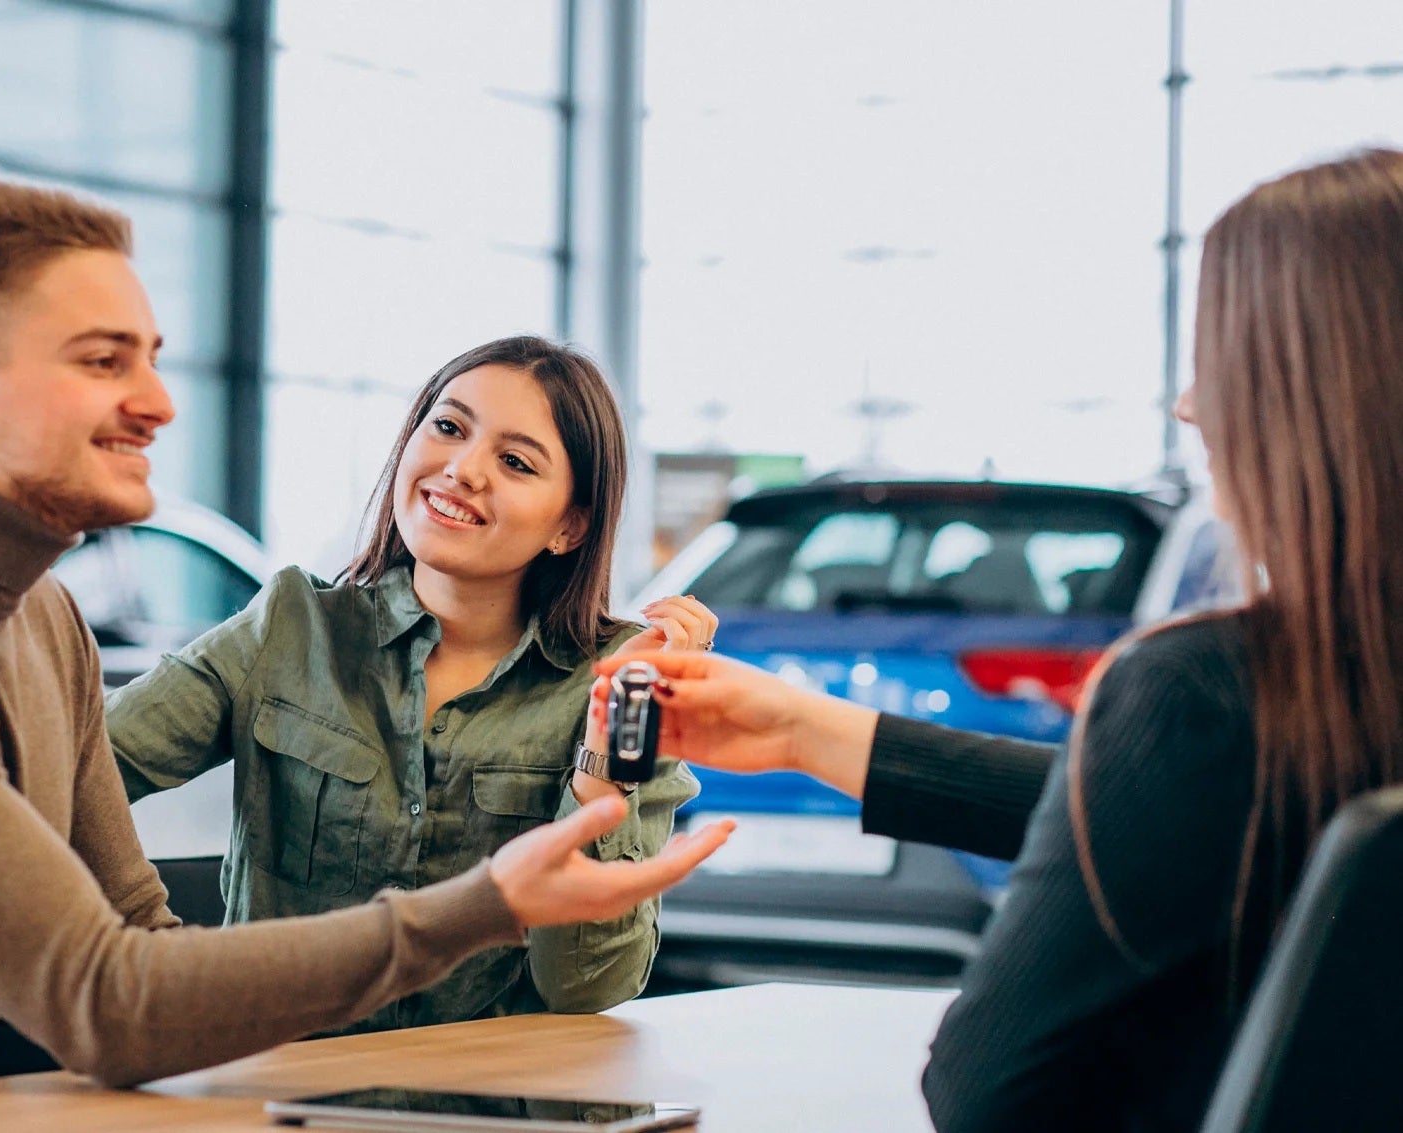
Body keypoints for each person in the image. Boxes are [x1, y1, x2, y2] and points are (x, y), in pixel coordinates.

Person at [0, 181, 733, 1106]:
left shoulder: (38, 613)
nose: (160, 401)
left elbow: (133, 932)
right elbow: (108, 997)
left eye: (150, 358)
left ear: (570, 522)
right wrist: (481, 905)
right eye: (106, 361)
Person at [596, 147, 1403, 1132]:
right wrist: (812, 733)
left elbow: (984, 1093)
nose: (1188, 405)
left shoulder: (1208, 690)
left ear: (1313, 394)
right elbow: (1170, 818)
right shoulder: (1325, 699)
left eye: (1217, 358)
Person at [106, 335, 716, 1033]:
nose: (462, 470)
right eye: (449, 427)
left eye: (515, 462)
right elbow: (80, 770)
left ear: (570, 526)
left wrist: (605, 765)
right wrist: (140, 934)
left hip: (505, 1108)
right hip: (291, 1090)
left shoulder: (618, 680)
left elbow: (587, 985)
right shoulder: (291, 626)